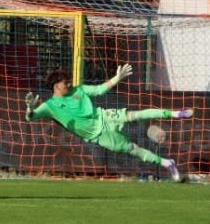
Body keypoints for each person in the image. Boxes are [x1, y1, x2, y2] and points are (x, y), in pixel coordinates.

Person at [24, 65, 192, 181]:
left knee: (135, 115)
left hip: (104, 117)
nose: (69, 83)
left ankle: (178, 113)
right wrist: (30, 109)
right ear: (56, 87)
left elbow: (99, 89)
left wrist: (116, 78)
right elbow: (30, 117)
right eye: (65, 82)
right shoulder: (50, 106)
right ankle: (167, 163)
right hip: (98, 136)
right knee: (133, 149)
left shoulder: (79, 90)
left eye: (68, 80)